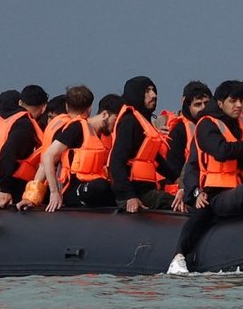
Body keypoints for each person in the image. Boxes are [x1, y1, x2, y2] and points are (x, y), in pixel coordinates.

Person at [167, 80, 243, 274]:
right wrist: (194, 193)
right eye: (233, 101)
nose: (238, 105)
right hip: (212, 194)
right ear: (220, 103)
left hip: (236, 186)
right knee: (205, 212)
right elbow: (218, 152)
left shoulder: (240, 123)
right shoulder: (207, 125)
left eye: (240, 101)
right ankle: (178, 256)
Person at [41, 88, 122, 211]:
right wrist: (54, 192)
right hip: (73, 190)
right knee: (102, 186)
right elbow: (48, 155)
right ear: (104, 114)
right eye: (116, 120)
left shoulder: (103, 137)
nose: (117, 125)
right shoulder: (78, 127)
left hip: (93, 187)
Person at [108, 76, 174, 212]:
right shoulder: (129, 122)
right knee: (176, 203)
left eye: (154, 91)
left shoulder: (143, 122)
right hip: (135, 193)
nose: (154, 95)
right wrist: (129, 196)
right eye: (147, 91)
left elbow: (156, 159)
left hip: (145, 190)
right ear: (136, 94)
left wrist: (178, 178)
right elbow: (116, 161)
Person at [0, 84, 49, 207]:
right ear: (44, 108)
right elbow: (7, 152)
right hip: (12, 183)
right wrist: (5, 190)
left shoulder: (2, 119)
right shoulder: (24, 124)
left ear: (20, 102)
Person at [163, 80, 213, 206]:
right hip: (183, 192)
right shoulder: (179, 130)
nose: (203, 108)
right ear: (188, 106)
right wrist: (187, 189)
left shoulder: (216, 126)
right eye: (198, 104)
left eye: (206, 103)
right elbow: (173, 169)